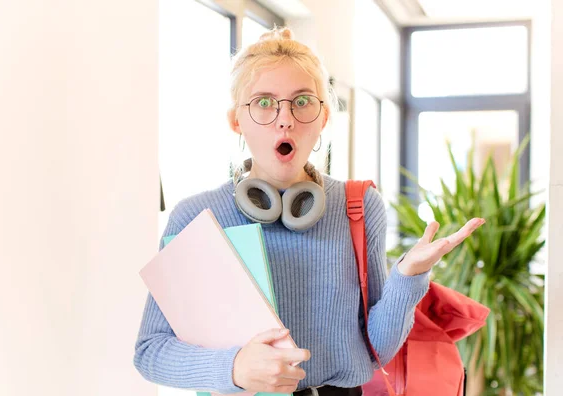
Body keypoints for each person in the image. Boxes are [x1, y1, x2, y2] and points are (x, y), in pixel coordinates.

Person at [133, 27, 484, 396]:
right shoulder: (195, 217)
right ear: (237, 121)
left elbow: (375, 350)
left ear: (323, 119)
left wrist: (409, 276)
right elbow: (150, 352)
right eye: (264, 103)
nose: (285, 118)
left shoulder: (359, 207)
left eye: (302, 102)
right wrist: (233, 367)